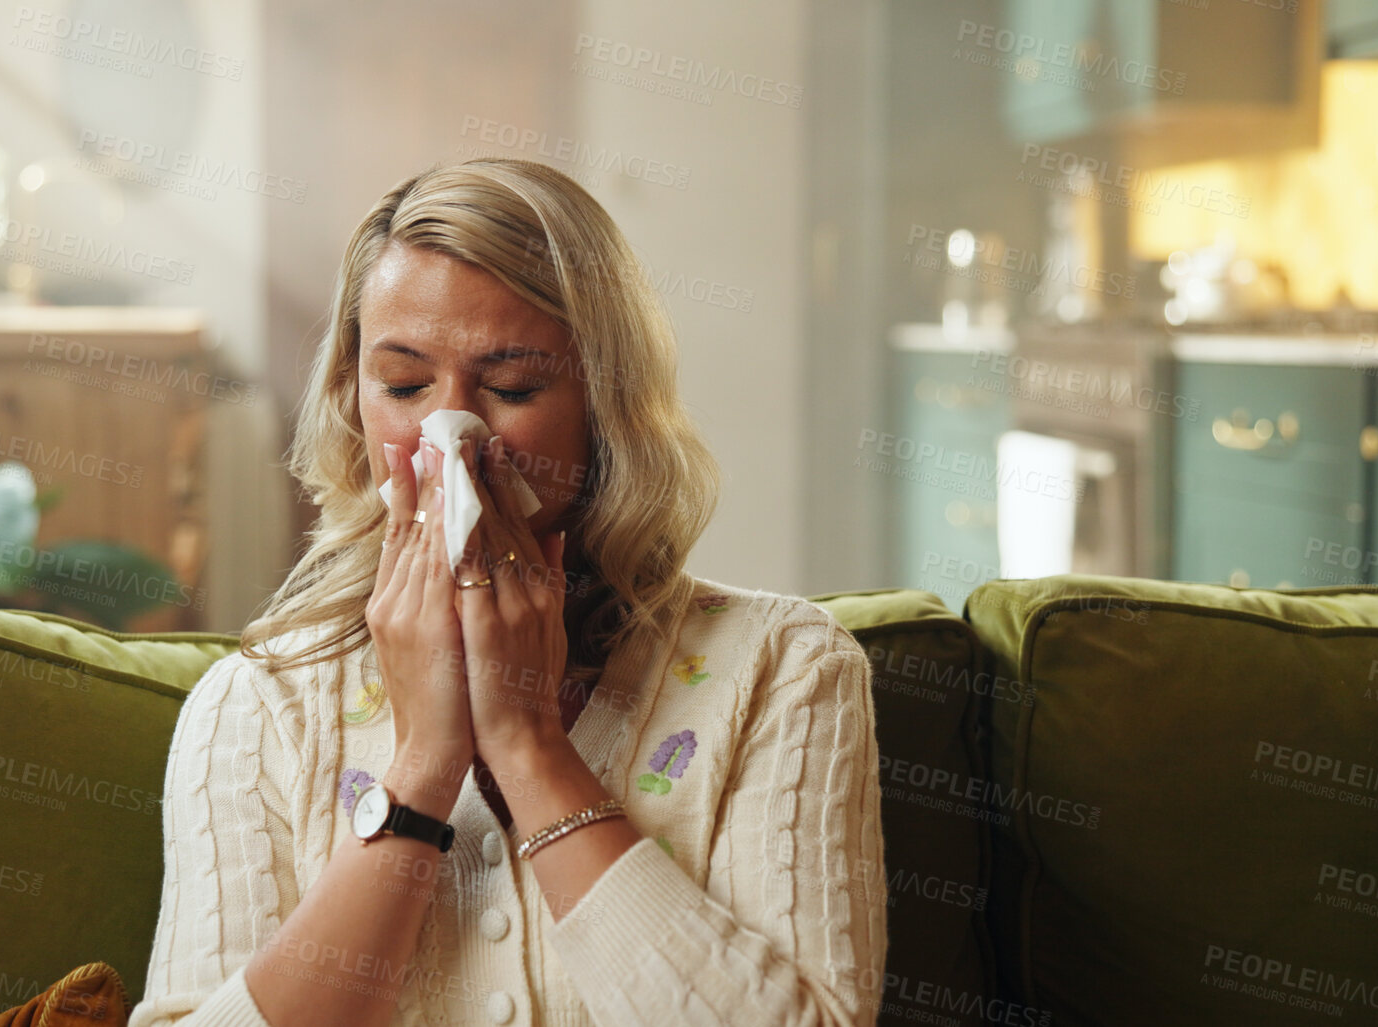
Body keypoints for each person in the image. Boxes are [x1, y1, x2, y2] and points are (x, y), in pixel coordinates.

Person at [128, 157, 887, 1027]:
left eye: (511, 387)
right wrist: (421, 767)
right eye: (404, 385)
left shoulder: (784, 668)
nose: (449, 439)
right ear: (352, 397)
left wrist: (528, 747)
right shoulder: (257, 703)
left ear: (606, 406)